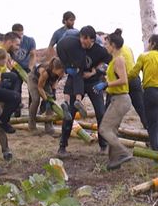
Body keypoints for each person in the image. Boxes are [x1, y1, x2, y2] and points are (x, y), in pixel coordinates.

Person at [57, 26, 112, 157]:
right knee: (69, 113)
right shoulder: (74, 45)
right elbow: (62, 54)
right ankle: (62, 146)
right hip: (75, 79)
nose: (82, 41)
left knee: (100, 113)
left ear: (91, 39)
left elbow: (107, 62)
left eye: (84, 39)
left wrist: (94, 71)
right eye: (80, 38)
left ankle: (103, 145)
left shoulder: (99, 50)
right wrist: (66, 67)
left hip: (93, 82)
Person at [92, 29, 133, 170]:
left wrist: (106, 84)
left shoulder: (119, 60)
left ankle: (123, 152)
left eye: (107, 44)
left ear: (113, 45)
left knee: (104, 129)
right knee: (112, 129)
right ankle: (114, 162)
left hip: (121, 99)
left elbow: (123, 80)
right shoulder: (114, 60)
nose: (105, 47)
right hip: (116, 98)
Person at [129, 34, 158, 151]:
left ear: (153, 44)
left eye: (149, 43)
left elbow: (133, 74)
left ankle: (157, 151)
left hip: (151, 92)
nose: (147, 45)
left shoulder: (144, 56)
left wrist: (121, 77)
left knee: (153, 123)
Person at [27, 57, 64, 135]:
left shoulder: (60, 73)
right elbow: (40, 87)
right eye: (61, 71)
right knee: (36, 100)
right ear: (55, 69)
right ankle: (31, 125)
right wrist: (46, 99)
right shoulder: (45, 72)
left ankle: (48, 126)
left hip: (46, 82)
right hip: (34, 79)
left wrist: (52, 94)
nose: (63, 73)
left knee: (52, 102)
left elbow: (55, 82)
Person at [11, 23, 36, 117]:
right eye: (17, 35)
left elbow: (33, 55)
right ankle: (17, 111)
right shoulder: (10, 41)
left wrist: (30, 68)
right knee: (16, 89)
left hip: (27, 67)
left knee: (32, 89)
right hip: (15, 68)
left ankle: (32, 111)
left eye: (21, 34)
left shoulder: (30, 40)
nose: (20, 37)